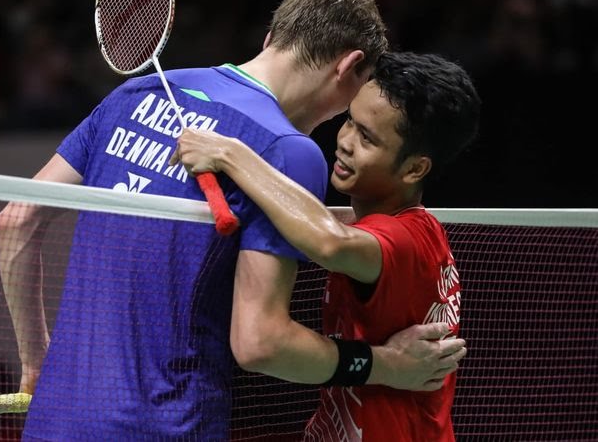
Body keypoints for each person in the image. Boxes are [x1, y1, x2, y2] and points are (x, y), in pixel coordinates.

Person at [0, 0, 466, 440]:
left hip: (55, 419)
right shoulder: (288, 151)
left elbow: (15, 220)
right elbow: (262, 342)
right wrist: (384, 364)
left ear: (272, 37)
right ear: (348, 67)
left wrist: (36, 362)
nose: (343, 128)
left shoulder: (132, 94)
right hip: (166, 424)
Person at [172, 51, 481, 440]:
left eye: (368, 138)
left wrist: (230, 154)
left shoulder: (412, 238)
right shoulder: (380, 230)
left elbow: (330, 243)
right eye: (350, 121)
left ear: (414, 169)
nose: (346, 142)